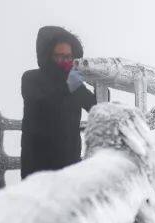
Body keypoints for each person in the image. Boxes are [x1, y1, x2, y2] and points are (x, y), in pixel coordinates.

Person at [20, 26, 97, 178]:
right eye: (59, 56)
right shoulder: (30, 79)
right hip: (37, 166)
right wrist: (71, 85)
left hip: (70, 165)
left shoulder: (74, 83)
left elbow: (96, 108)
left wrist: (96, 82)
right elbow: (46, 101)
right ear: (48, 56)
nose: (64, 61)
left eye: (68, 57)